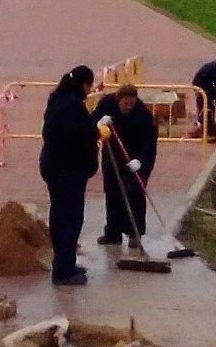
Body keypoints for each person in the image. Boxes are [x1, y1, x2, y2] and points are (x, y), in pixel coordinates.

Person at [39, 66, 99, 286]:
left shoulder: (57, 101)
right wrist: (95, 129)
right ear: (83, 84)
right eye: (89, 85)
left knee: (60, 216)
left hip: (55, 168)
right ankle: (63, 270)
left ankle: (65, 262)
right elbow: (80, 136)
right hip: (68, 171)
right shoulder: (71, 107)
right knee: (70, 220)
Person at [95, 84, 158, 250]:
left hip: (135, 158)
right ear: (118, 100)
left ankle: (135, 233)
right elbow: (92, 122)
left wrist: (140, 161)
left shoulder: (142, 114)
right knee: (112, 193)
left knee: (135, 193)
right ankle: (112, 232)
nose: (128, 107)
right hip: (112, 155)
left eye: (131, 103)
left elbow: (149, 142)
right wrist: (100, 124)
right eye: (125, 104)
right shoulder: (106, 104)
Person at [190, 59, 216, 140]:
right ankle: (205, 128)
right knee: (206, 104)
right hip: (201, 83)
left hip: (204, 82)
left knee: (207, 104)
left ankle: (208, 126)